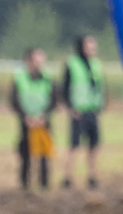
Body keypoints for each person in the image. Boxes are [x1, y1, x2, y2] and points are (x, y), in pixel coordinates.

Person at [62, 34, 105, 189]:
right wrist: (70, 107)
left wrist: (100, 107)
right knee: (74, 146)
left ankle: (92, 177)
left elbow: (99, 87)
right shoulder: (72, 64)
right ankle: (67, 177)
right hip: (78, 111)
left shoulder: (96, 64)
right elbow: (65, 88)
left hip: (92, 110)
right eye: (89, 45)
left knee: (94, 146)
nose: (93, 48)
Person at [11, 46, 54, 190]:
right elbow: (14, 100)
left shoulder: (48, 78)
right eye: (37, 59)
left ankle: (44, 185)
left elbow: (54, 99)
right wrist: (26, 117)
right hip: (26, 122)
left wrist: (44, 116)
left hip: (43, 122)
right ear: (28, 61)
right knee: (25, 154)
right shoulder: (20, 78)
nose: (40, 62)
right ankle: (24, 185)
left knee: (44, 153)